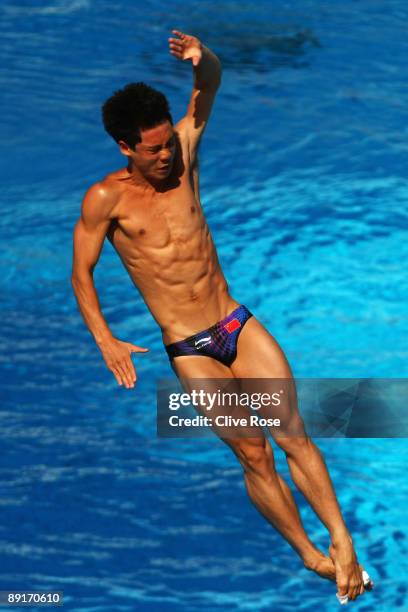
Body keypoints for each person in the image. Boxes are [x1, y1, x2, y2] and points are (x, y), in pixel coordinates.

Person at [71, 30, 372, 603]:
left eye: (167, 145)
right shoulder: (104, 202)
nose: (167, 157)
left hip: (235, 322)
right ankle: (308, 554)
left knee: (293, 434)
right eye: (153, 150)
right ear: (123, 147)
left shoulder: (184, 150)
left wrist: (202, 57)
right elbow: (80, 274)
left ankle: (342, 543)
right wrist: (104, 338)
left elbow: (208, 84)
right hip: (189, 348)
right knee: (253, 453)